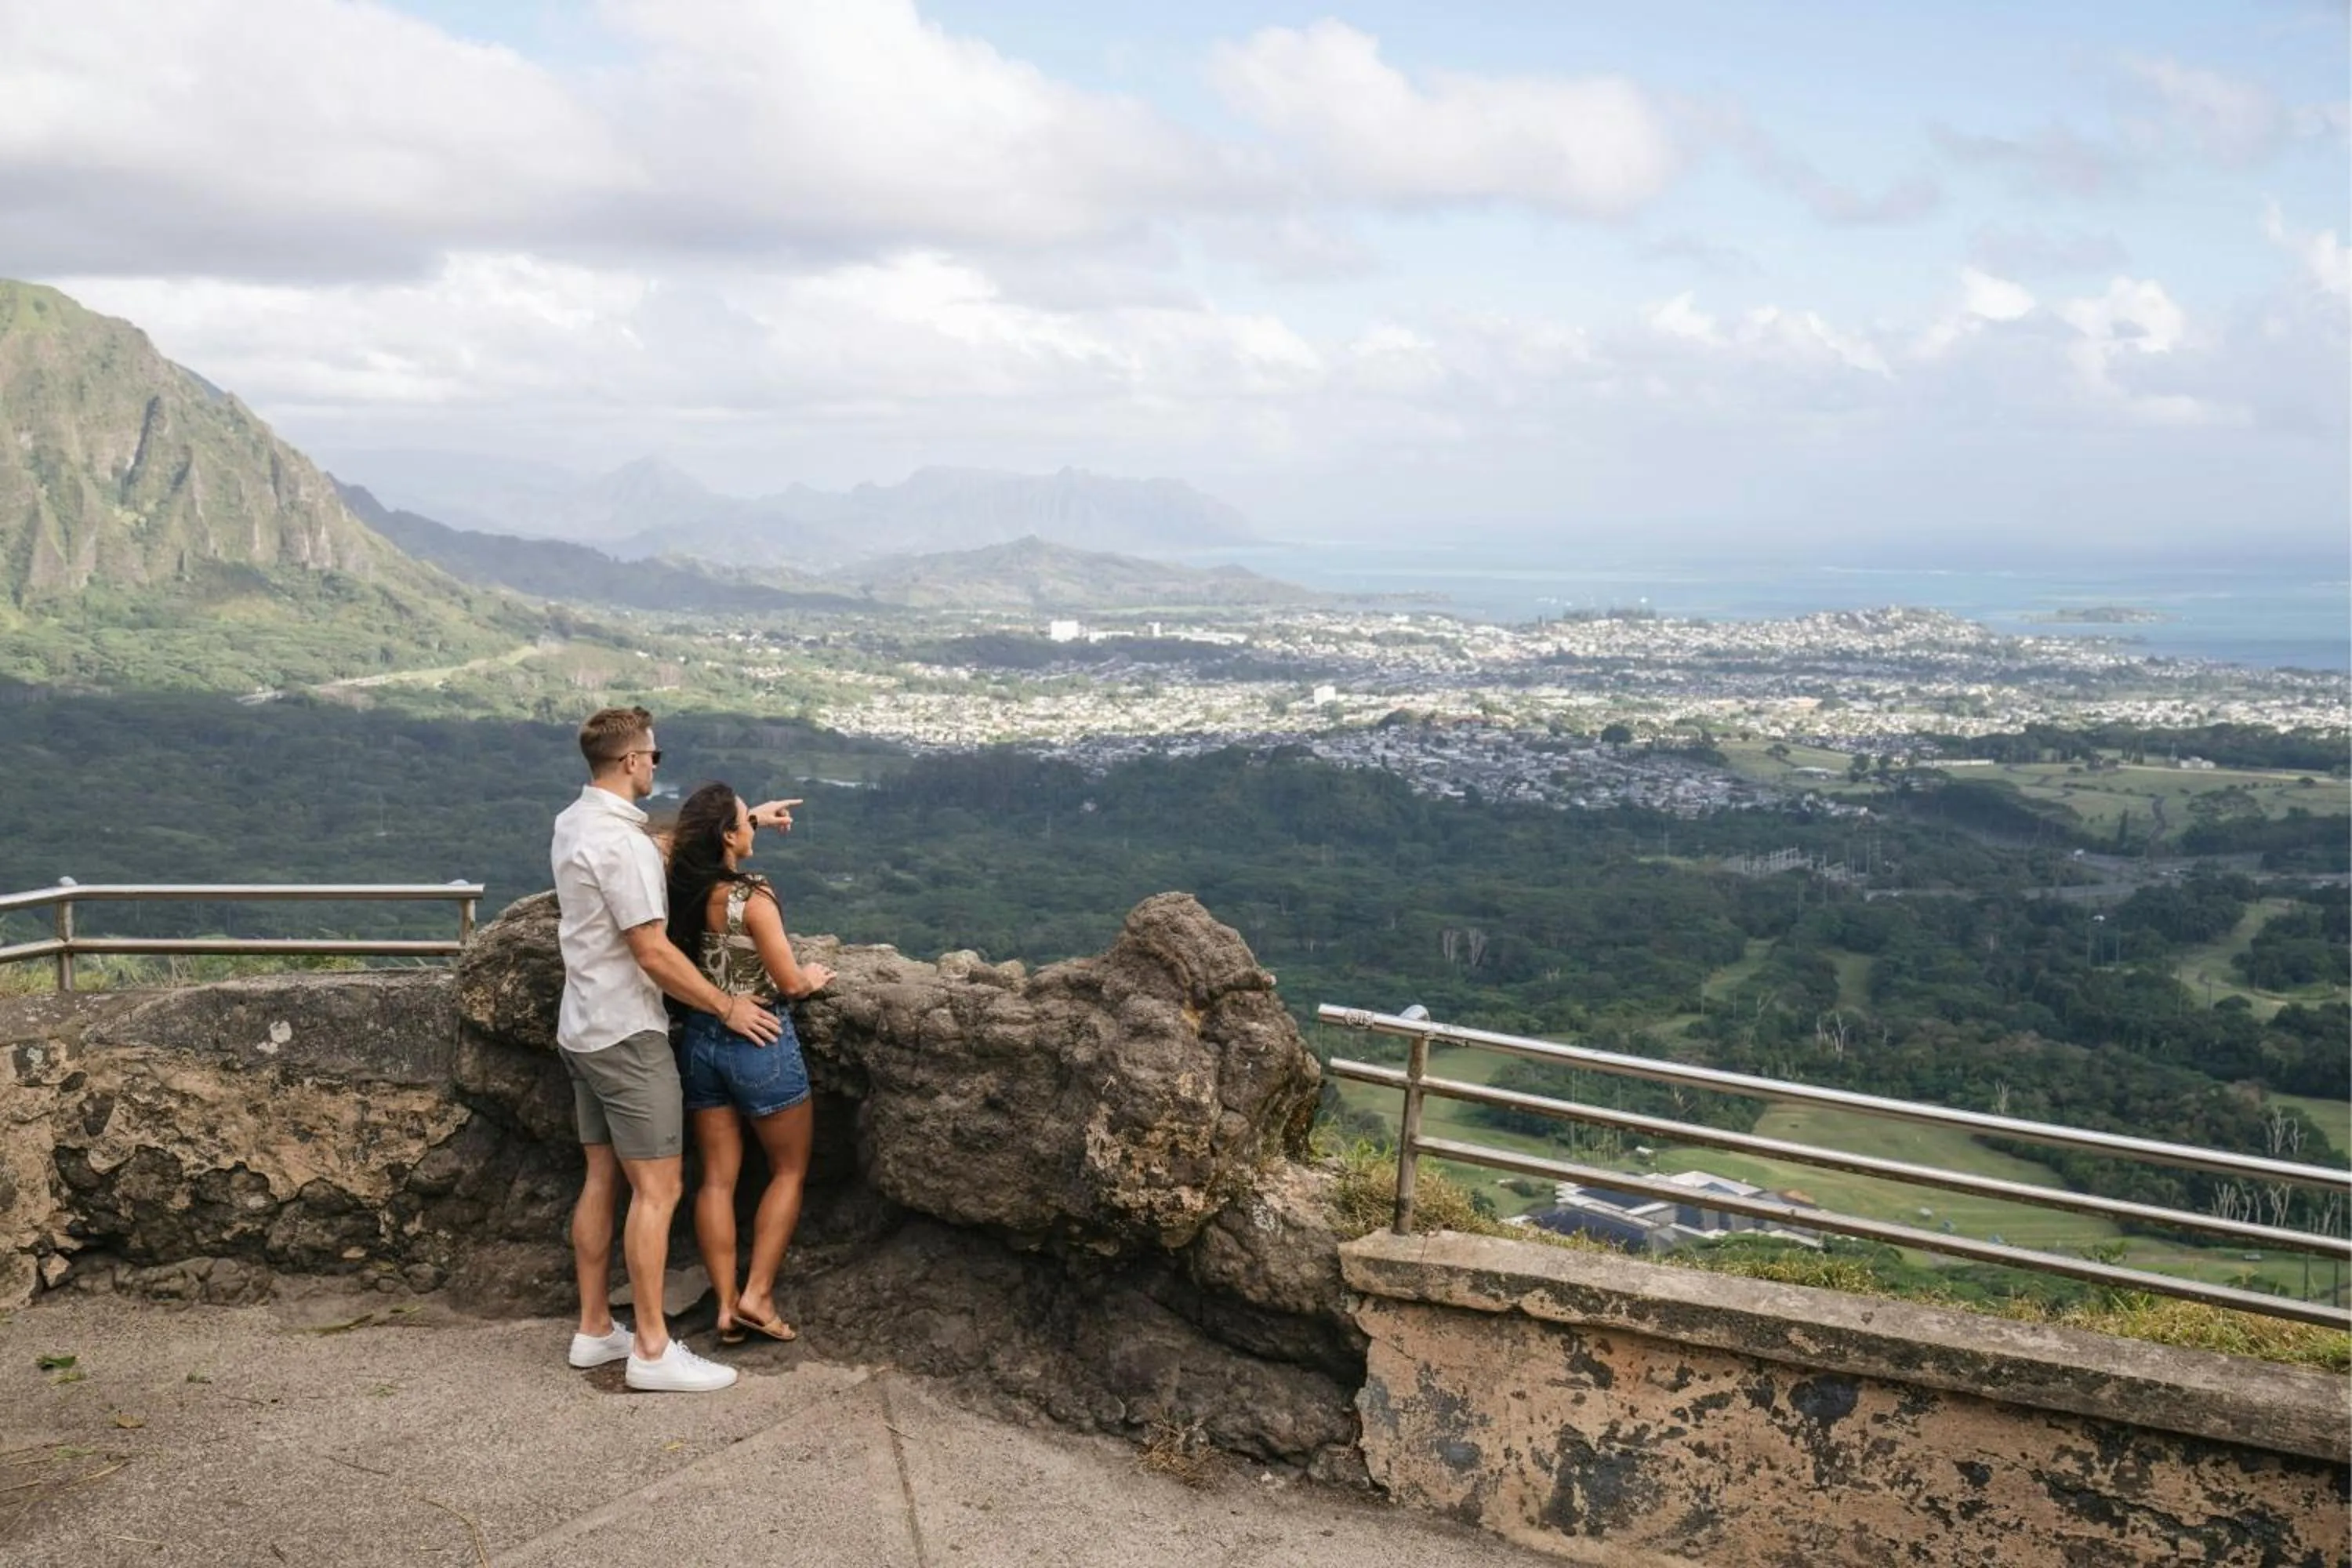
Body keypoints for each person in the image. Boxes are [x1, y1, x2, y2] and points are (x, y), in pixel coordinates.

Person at [549, 706, 797, 1393]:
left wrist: (745, 823)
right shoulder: (623, 845)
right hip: (629, 1034)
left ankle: (595, 1328)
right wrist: (726, 1004)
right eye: (653, 756)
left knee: (603, 1179)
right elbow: (652, 951)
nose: (657, 765)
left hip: (583, 1026)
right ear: (631, 761)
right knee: (658, 1190)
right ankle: (653, 1350)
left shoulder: (577, 822)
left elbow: (650, 850)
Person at [664, 782, 836, 1346]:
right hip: (759, 1037)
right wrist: (812, 977)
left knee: (716, 1178)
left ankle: (722, 1307)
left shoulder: (682, 884)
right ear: (729, 837)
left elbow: (688, 843)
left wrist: (751, 818)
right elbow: (788, 982)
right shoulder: (753, 896)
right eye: (745, 820)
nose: (752, 825)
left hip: (702, 1038)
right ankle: (757, 1296)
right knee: (788, 1169)